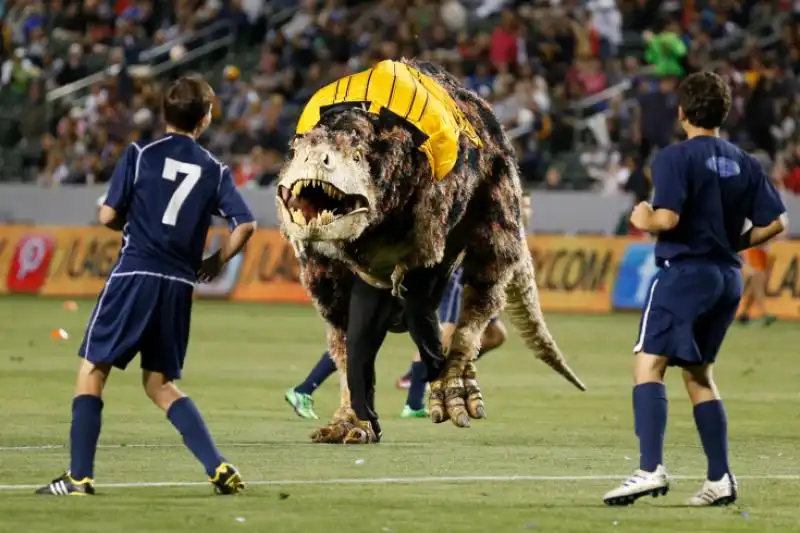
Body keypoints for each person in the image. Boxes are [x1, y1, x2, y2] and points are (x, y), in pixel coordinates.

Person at [36, 75, 257, 496]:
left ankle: (80, 477)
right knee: (159, 383)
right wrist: (215, 260)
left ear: (163, 114)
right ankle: (218, 466)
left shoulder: (140, 154)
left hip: (135, 273)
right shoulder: (215, 169)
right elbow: (245, 225)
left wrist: (131, 220)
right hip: (177, 284)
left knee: (92, 370)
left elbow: (105, 216)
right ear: (205, 119)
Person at [602, 72, 787, 507]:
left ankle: (650, 469)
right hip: (726, 277)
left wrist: (641, 217)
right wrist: (732, 243)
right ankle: (719, 478)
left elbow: (665, 218)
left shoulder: (673, 158)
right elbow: (776, 222)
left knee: (647, 366)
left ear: (681, 112)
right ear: (723, 113)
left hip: (685, 274)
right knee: (699, 374)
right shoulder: (746, 161)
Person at [284, 193, 532, 420]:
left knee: (495, 335)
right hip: (433, 279)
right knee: (383, 334)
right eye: (524, 203)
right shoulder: (483, 218)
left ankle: (415, 379)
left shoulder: (506, 227)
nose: (528, 209)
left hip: (458, 284)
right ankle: (413, 397)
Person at [737, 244, 776, 326]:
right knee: (758, 291)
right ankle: (764, 314)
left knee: (753, 292)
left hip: (757, 264)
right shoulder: (757, 239)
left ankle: (744, 314)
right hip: (757, 264)